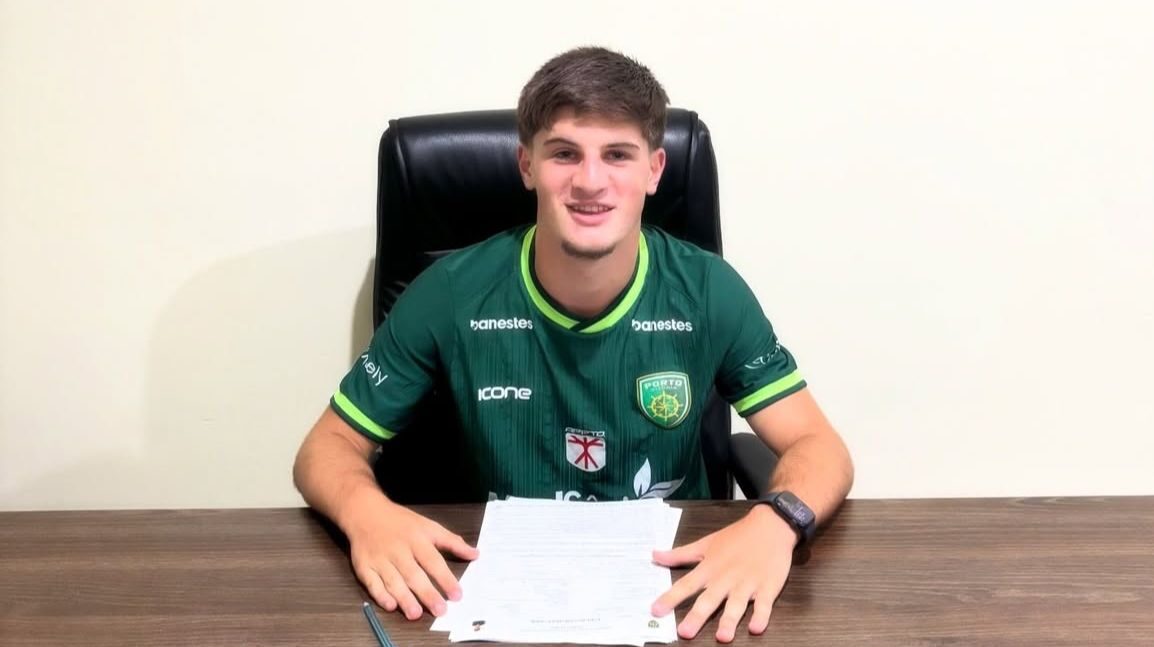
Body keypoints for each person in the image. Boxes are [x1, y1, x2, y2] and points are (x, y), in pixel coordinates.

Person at [294, 46, 853, 643]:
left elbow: (819, 446)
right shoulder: (451, 292)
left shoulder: (708, 290)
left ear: (655, 170)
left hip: (673, 588)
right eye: (564, 153)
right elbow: (325, 448)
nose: (590, 181)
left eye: (618, 154)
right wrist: (367, 514)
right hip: (495, 590)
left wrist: (776, 522)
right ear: (527, 165)